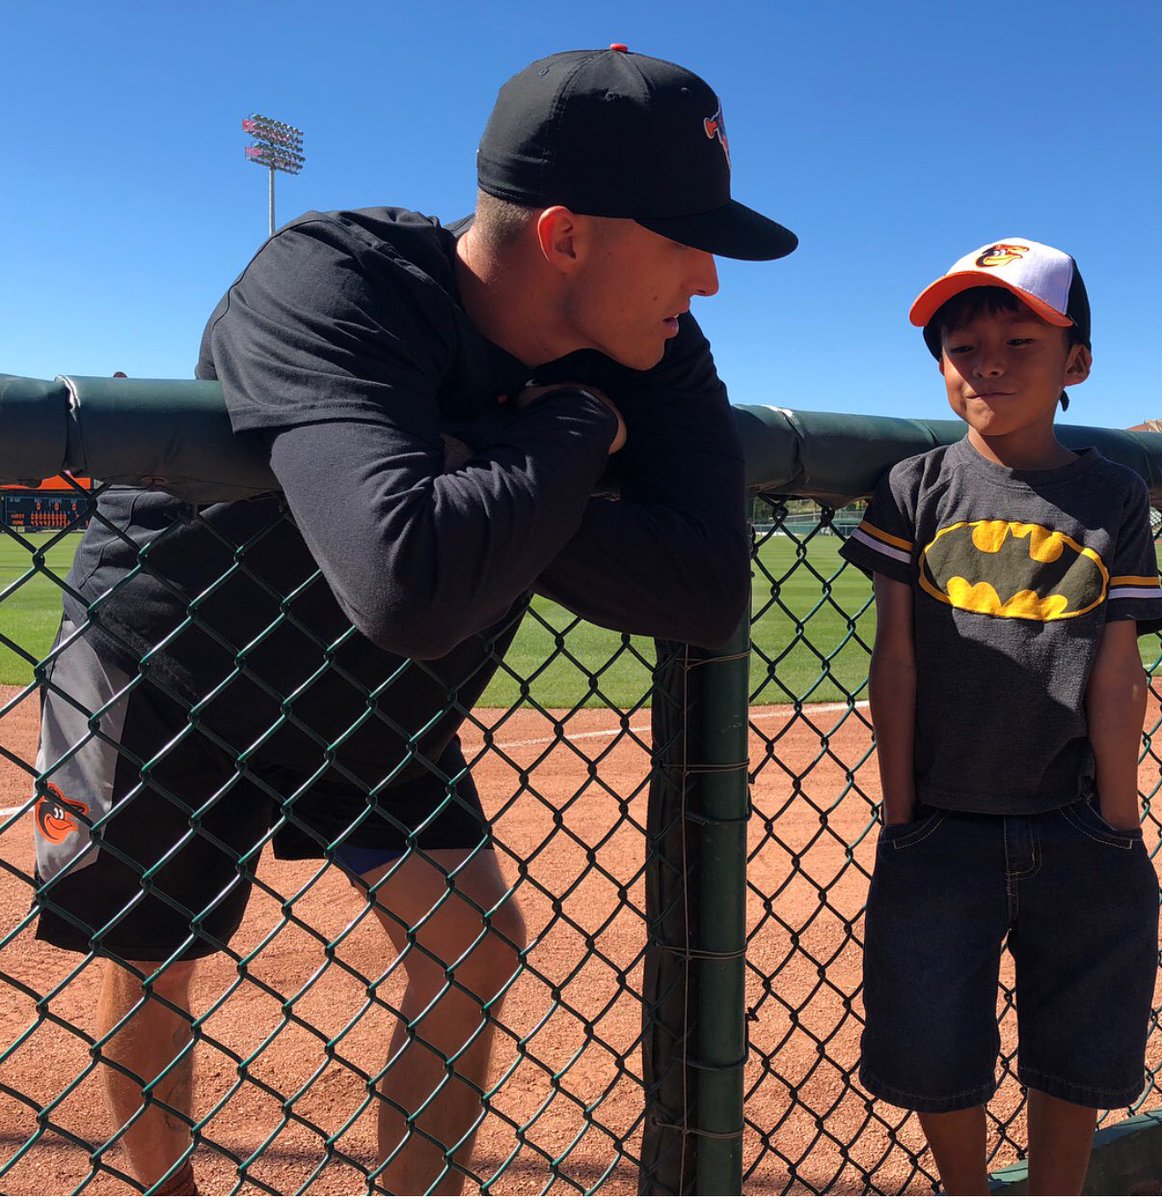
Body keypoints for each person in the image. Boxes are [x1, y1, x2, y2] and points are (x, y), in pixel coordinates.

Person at [31, 46, 797, 1195]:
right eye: (684, 240)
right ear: (565, 235)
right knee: (151, 958)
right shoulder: (334, 276)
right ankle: (166, 1189)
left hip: (386, 697)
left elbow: (704, 589)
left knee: (473, 946)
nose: (707, 280)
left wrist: (477, 481)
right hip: (181, 659)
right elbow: (406, 578)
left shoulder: (655, 346)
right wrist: (573, 434)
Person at [839, 238, 1162, 1194]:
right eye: (962, 344)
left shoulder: (1112, 493)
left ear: (1076, 363)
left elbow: (1117, 668)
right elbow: (893, 659)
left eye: (1019, 340)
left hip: (1074, 819)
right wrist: (901, 815)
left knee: (1078, 1034)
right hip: (939, 820)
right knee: (934, 1039)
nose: (986, 361)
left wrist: (1119, 817)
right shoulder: (913, 487)